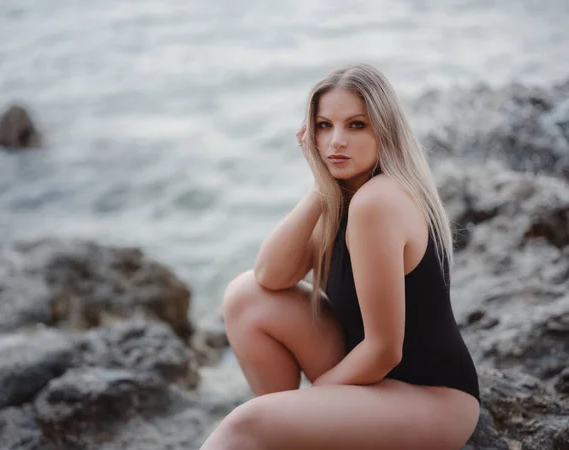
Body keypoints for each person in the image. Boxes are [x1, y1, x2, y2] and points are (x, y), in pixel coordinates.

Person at [200, 63, 481, 450]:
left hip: (432, 398)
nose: (336, 141)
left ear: (385, 130)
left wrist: (308, 399)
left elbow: (385, 350)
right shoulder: (345, 195)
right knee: (245, 297)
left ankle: (284, 434)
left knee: (248, 424)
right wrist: (321, 185)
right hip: (371, 376)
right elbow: (270, 276)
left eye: (356, 125)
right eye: (323, 126)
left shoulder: (377, 202)